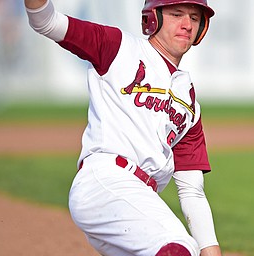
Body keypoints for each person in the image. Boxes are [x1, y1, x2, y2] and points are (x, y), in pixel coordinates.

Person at [24, 0, 222, 255]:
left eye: (195, 18)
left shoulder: (190, 100)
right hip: (107, 180)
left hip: (138, 198)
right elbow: (46, 20)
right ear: (154, 18)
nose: (186, 25)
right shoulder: (117, 47)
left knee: (185, 249)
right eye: (176, 14)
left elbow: (191, 189)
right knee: (178, 247)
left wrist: (210, 248)